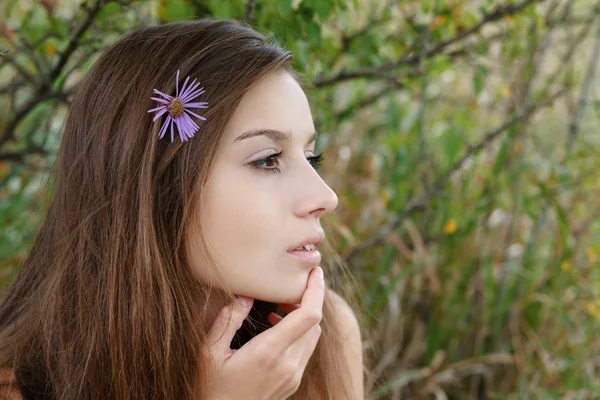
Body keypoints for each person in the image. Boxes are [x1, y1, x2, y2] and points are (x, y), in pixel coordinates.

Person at [0, 19, 364, 399]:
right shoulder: (19, 386)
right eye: (268, 159)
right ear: (157, 187)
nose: (325, 196)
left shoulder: (323, 338)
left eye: (311, 157)